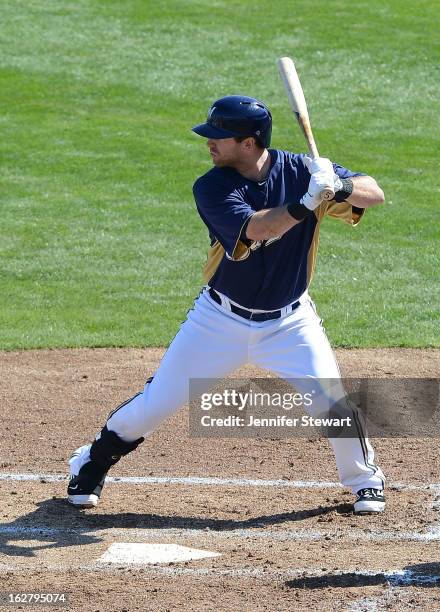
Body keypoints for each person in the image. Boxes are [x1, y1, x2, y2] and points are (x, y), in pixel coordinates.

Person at [67, 95, 386, 514]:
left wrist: (339, 185)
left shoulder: (302, 171)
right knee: (156, 403)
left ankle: (365, 481)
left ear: (249, 142)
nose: (209, 143)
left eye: (219, 137)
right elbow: (257, 229)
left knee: (332, 402)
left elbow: (374, 194)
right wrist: (306, 203)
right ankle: (91, 461)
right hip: (219, 318)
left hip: (290, 321)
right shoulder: (212, 186)